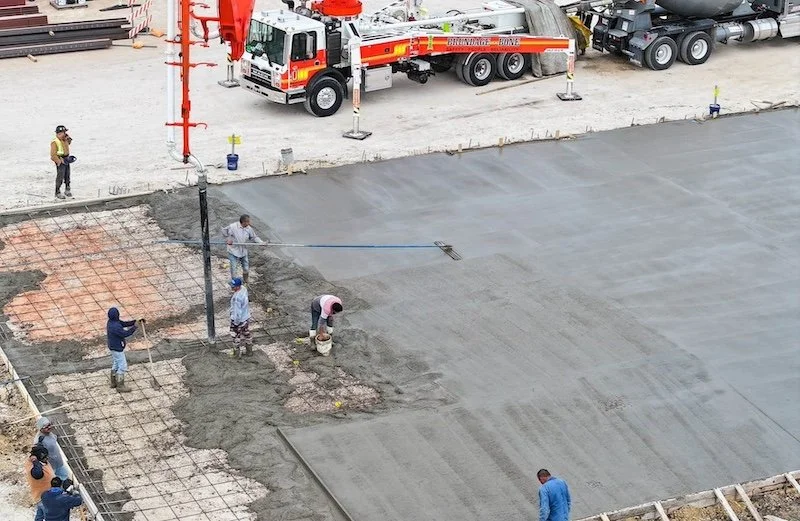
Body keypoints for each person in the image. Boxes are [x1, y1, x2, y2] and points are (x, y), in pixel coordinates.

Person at [107, 307, 143, 393]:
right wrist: (134, 327)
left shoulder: (111, 322)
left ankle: (113, 382)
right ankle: (120, 386)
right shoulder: (115, 326)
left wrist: (134, 322)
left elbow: (123, 324)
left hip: (112, 347)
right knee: (122, 366)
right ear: (117, 315)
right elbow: (125, 333)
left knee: (116, 363)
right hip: (117, 348)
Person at [221, 214, 263, 284]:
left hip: (243, 250)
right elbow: (224, 232)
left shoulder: (249, 229)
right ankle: (234, 282)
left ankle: (246, 280)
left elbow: (254, 237)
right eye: (248, 222)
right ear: (243, 222)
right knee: (234, 268)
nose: (249, 223)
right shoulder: (233, 227)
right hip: (233, 250)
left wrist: (261, 242)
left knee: (246, 268)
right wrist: (227, 240)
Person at [25, 444, 54, 521]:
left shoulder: (40, 462)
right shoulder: (35, 469)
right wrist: (36, 462)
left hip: (42, 496)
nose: (47, 458)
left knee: (40, 516)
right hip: (44, 499)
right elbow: (37, 474)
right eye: (44, 457)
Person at [229, 277, 252, 357]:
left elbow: (237, 313)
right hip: (246, 317)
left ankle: (236, 354)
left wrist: (235, 323)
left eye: (233, 286)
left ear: (237, 286)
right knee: (246, 333)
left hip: (239, 319)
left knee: (235, 336)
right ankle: (249, 351)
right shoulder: (243, 289)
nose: (231, 287)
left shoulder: (237, 298)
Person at [50, 125, 74, 200]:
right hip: (60, 160)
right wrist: (59, 161)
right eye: (64, 132)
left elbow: (69, 143)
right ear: (59, 133)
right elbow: (53, 155)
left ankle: (67, 188)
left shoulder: (64, 139)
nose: (65, 134)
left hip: (66, 159)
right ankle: (57, 192)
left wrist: (68, 138)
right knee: (60, 176)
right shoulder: (55, 142)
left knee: (67, 175)